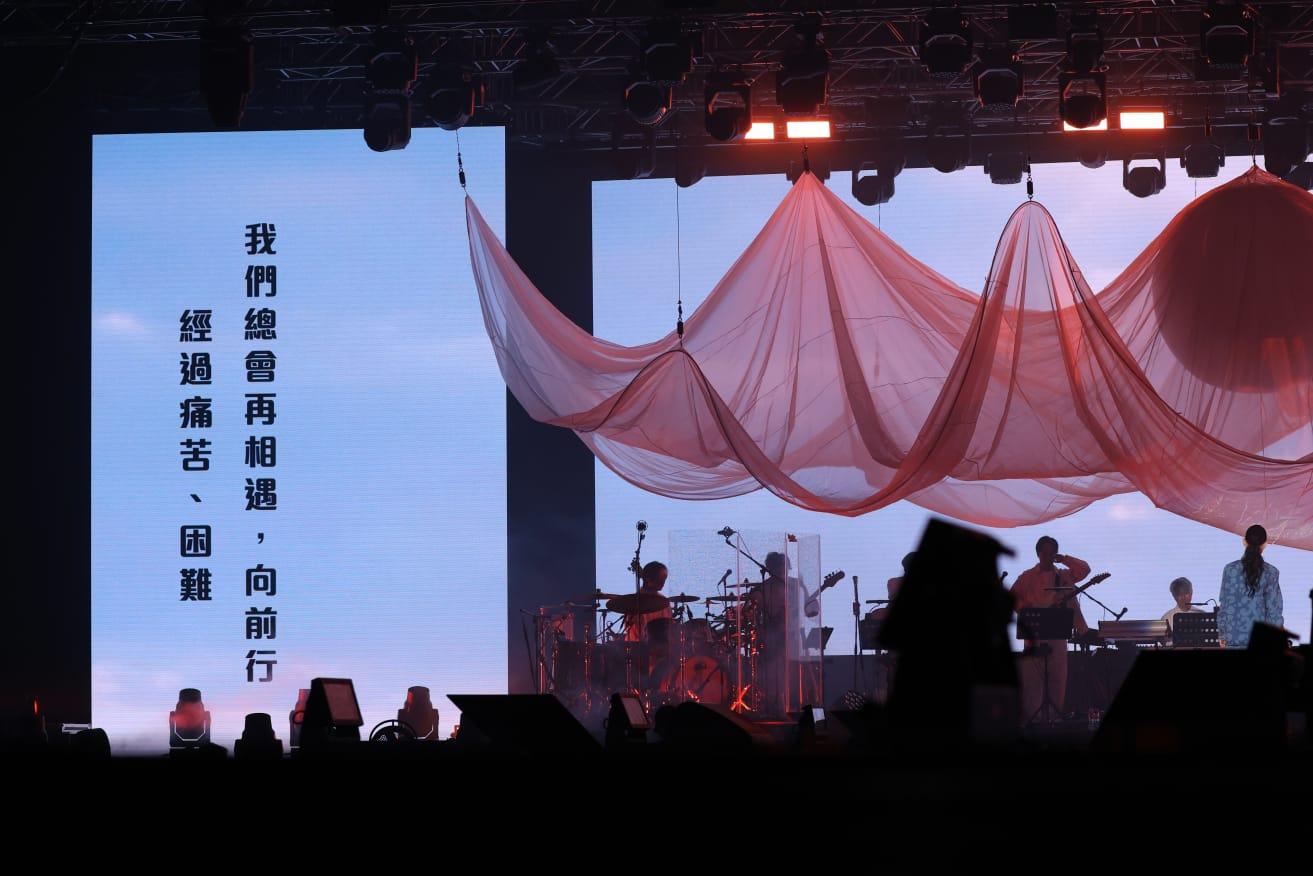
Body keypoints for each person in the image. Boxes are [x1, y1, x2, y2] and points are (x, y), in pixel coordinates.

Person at [1009, 536, 1091, 723]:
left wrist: (1064, 559)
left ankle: (1054, 719)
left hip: (1058, 633)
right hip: (1034, 633)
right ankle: (1033, 720)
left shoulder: (1064, 575)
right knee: (1032, 679)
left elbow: (1084, 570)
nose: (1048, 555)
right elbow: (1012, 598)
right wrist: (1027, 610)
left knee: (1058, 677)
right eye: (1044, 552)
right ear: (1038, 554)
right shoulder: (1027, 577)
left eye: (1052, 552)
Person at [1218, 525, 1284, 649]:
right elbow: (1274, 611)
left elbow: (1225, 605)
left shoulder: (1230, 570)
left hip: (1233, 639)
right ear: (1265, 544)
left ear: (1244, 541)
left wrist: (1222, 634)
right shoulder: (1271, 572)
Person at [623, 561, 672, 644]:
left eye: (665, 579)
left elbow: (669, 628)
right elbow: (633, 632)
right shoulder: (634, 601)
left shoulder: (664, 601)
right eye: (660, 579)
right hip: (637, 647)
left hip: (660, 647)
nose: (663, 582)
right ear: (648, 578)